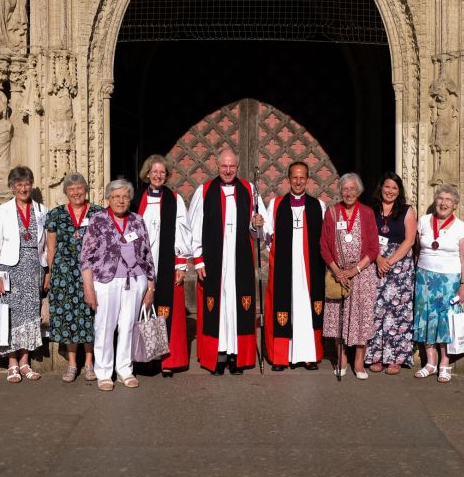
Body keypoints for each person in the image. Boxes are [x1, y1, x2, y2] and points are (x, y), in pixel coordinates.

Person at [188, 148, 267, 375]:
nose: (228, 170)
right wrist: (199, 260)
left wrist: (257, 223)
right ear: (216, 165)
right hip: (215, 261)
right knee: (218, 307)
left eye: (232, 166)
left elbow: (258, 232)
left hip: (239, 259)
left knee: (237, 306)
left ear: (238, 167)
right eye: (224, 166)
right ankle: (219, 355)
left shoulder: (250, 190)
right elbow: (194, 229)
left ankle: (237, 356)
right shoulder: (204, 192)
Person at [80, 179, 156, 391]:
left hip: (135, 280)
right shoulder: (97, 220)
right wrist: (89, 290)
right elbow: (86, 258)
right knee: (105, 327)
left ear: (130, 199)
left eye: (125, 196)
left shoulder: (138, 221)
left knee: (129, 326)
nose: (120, 201)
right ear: (108, 199)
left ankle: (124, 369)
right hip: (106, 281)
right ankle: (104, 372)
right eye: (116, 197)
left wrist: (151, 287)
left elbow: (147, 256)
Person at [263, 161, 327, 371]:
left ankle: (308, 356)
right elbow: (266, 237)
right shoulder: (276, 204)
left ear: (307, 179)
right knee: (284, 306)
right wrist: (257, 226)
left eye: (302, 177)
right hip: (285, 267)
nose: (298, 182)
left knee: (307, 309)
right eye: (294, 177)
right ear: (288, 179)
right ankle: (281, 357)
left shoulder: (318, 206)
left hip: (310, 268)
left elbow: (326, 239)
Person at [133, 155, 191, 377]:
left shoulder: (174, 199)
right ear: (147, 174)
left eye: (162, 172)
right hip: (142, 263)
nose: (158, 175)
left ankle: (167, 360)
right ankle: (147, 358)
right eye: (154, 172)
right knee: (143, 309)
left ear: (167, 175)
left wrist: (181, 264)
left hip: (167, 261)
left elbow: (183, 232)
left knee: (166, 311)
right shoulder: (136, 199)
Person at [0, 166, 48, 383]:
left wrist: (47, 271)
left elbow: (47, 246)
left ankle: (25, 361)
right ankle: (11, 362)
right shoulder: (2, 211)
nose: (23, 188)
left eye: (26, 184)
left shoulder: (42, 210)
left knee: (30, 315)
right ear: (12, 187)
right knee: (10, 315)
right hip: (9, 268)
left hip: (34, 267)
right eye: (19, 184)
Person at [320, 172, 380, 380]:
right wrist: (337, 271)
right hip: (338, 274)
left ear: (359, 191)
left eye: (352, 189)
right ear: (340, 191)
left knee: (361, 318)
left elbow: (373, 248)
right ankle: (342, 358)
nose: (348, 193)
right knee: (338, 317)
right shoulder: (332, 212)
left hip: (362, 275)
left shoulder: (367, 213)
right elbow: (324, 246)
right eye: (344, 189)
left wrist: (354, 271)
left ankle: (359, 361)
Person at [45, 173, 100, 382]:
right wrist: (51, 273)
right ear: (66, 192)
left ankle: (89, 363)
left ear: (85, 190)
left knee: (89, 316)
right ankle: (71, 364)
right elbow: (51, 247)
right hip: (63, 274)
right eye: (71, 189)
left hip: (90, 273)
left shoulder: (98, 213)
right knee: (68, 316)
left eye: (79, 188)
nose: (76, 192)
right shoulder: (56, 214)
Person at [414, 184, 464, 383]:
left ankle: (445, 364)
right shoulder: (423, 221)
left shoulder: (460, 226)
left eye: (448, 200)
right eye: (440, 198)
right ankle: (430, 363)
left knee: (445, 321)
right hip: (424, 278)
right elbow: (418, 251)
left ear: (454, 205)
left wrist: (463, 284)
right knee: (426, 319)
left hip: (449, 280)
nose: (443, 203)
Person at [365, 172, 417, 375]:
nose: (390, 191)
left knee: (397, 313)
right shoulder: (371, 210)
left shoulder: (406, 211)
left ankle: (395, 358)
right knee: (376, 311)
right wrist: (378, 259)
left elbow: (410, 240)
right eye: (387, 187)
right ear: (381, 188)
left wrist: (389, 261)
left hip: (399, 267)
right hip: (375, 262)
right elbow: (367, 238)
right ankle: (375, 356)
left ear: (399, 191)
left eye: (394, 188)